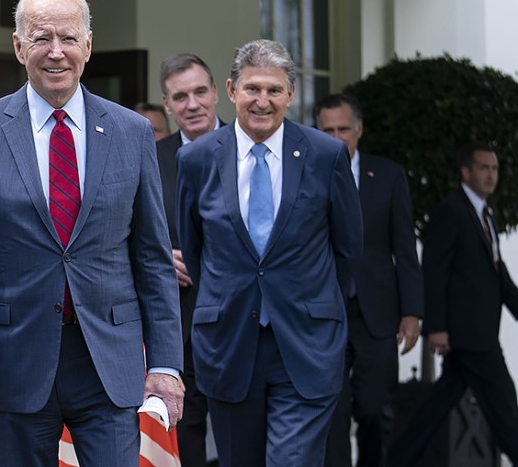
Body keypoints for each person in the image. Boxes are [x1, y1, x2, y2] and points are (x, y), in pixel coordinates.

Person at [0, 0, 185, 466]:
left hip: (108, 361)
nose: (56, 52)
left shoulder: (131, 132)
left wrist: (166, 363)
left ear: (88, 44)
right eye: (41, 38)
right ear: (19, 47)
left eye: (68, 38)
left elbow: (152, 257)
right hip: (9, 362)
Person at [176, 39, 363, 466]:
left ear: (291, 95)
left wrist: (313, 299)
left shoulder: (325, 154)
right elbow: (196, 247)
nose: (263, 101)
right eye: (252, 88)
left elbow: (348, 248)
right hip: (229, 344)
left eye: (274, 90)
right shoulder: (199, 159)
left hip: (305, 343)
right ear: (231, 90)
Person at [387, 142, 518, 466]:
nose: (491, 175)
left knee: (436, 408)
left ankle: (396, 460)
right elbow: (434, 272)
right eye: (484, 168)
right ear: (466, 172)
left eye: (494, 168)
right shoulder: (451, 210)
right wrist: (437, 328)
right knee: (504, 406)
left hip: (478, 333)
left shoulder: (486, 215)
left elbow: (498, 274)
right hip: (468, 335)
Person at [315, 93, 423, 467]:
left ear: (359, 130)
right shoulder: (307, 173)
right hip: (323, 311)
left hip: (375, 311)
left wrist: (412, 311)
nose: (336, 137)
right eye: (327, 130)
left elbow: (404, 248)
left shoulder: (388, 174)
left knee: (375, 409)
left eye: (343, 129)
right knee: (332, 410)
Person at [156, 52, 222, 467]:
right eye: (180, 97)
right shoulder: (150, 155)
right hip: (177, 326)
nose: (192, 104)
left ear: (218, 93)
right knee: (187, 441)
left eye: (200, 92)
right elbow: (124, 232)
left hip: (242, 323)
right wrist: (161, 261)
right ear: (167, 105)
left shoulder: (249, 149)